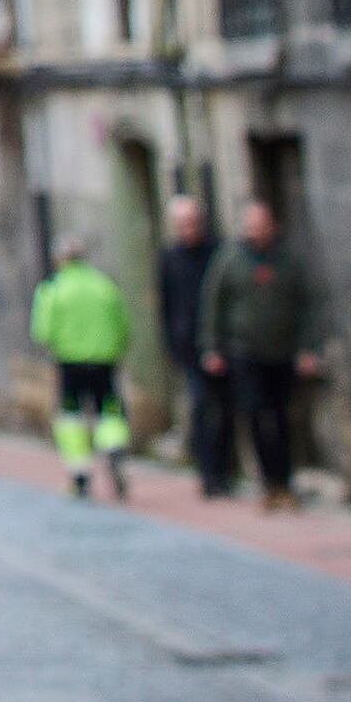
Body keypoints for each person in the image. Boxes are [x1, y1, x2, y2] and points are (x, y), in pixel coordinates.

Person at [203, 195, 319, 511]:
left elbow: (306, 304)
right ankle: (267, 483)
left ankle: (285, 482)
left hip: (281, 352)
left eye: (261, 225)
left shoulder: (288, 260)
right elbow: (214, 305)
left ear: (272, 226)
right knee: (254, 415)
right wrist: (212, 348)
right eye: (251, 225)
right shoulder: (230, 259)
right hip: (244, 352)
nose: (256, 231)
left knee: (282, 418)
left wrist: (308, 348)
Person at [27, 237, 135, 499]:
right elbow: (123, 325)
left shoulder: (54, 289)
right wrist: (116, 347)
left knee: (71, 417)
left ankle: (80, 474)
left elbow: (41, 331)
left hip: (70, 362)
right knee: (109, 409)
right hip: (104, 361)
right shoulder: (104, 285)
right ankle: (113, 446)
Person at [154, 192, 231, 498]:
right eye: (182, 223)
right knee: (200, 407)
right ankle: (207, 472)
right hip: (189, 346)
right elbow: (166, 303)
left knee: (224, 409)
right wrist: (172, 345)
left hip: (222, 343)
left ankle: (223, 470)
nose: (188, 228)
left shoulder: (217, 252)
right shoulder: (170, 258)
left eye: (192, 221)